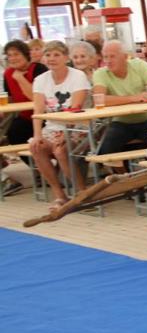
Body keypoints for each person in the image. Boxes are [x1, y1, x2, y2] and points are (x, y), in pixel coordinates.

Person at [29, 41, 91, 211]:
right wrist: (37, 135)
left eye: (56, 55)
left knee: (60, 150)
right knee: (36, 147)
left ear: (66, 58)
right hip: (52, 127)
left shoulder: (77, 76)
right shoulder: (40, 80)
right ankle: (59, 195)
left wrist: (65, 133)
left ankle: (82, 194)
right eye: (48, 55)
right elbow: (38, 111)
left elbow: (76, 107)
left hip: (78, 125)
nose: (52, 58)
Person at [92, 40, 147, 160]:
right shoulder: (100, 73)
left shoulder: (139, 65)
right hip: (120, 122)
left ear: (125, 57)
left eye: (112, 56)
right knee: (105, 151)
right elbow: (99, 100)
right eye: (105, 57)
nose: (108, 61)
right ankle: (120, 172)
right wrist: (133, 98)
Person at [3, 39, 47, 145]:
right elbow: (10, 99)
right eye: (9, 55)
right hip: (25, 116)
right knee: (14, 131)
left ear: (26, 55)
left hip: (45, 115)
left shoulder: (39, 69)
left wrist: (20, 79)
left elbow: (36, 98)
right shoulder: (8, 73)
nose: (12, 58)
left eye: (16, 54)